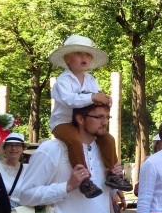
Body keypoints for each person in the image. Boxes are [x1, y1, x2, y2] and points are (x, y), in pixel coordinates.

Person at [48, 34, 132, 198]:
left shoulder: (91, 79)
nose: (84, 57)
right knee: (74, 140)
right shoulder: (62, 81)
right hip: (63, 123)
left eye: (87, 54)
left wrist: (106, 99)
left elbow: (98, 98)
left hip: (86, 123)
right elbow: (69, 100)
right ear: (67, 59)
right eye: (79, 54)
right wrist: (93, 97)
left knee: (108, 139)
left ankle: (112, 174)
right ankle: (84, 179)